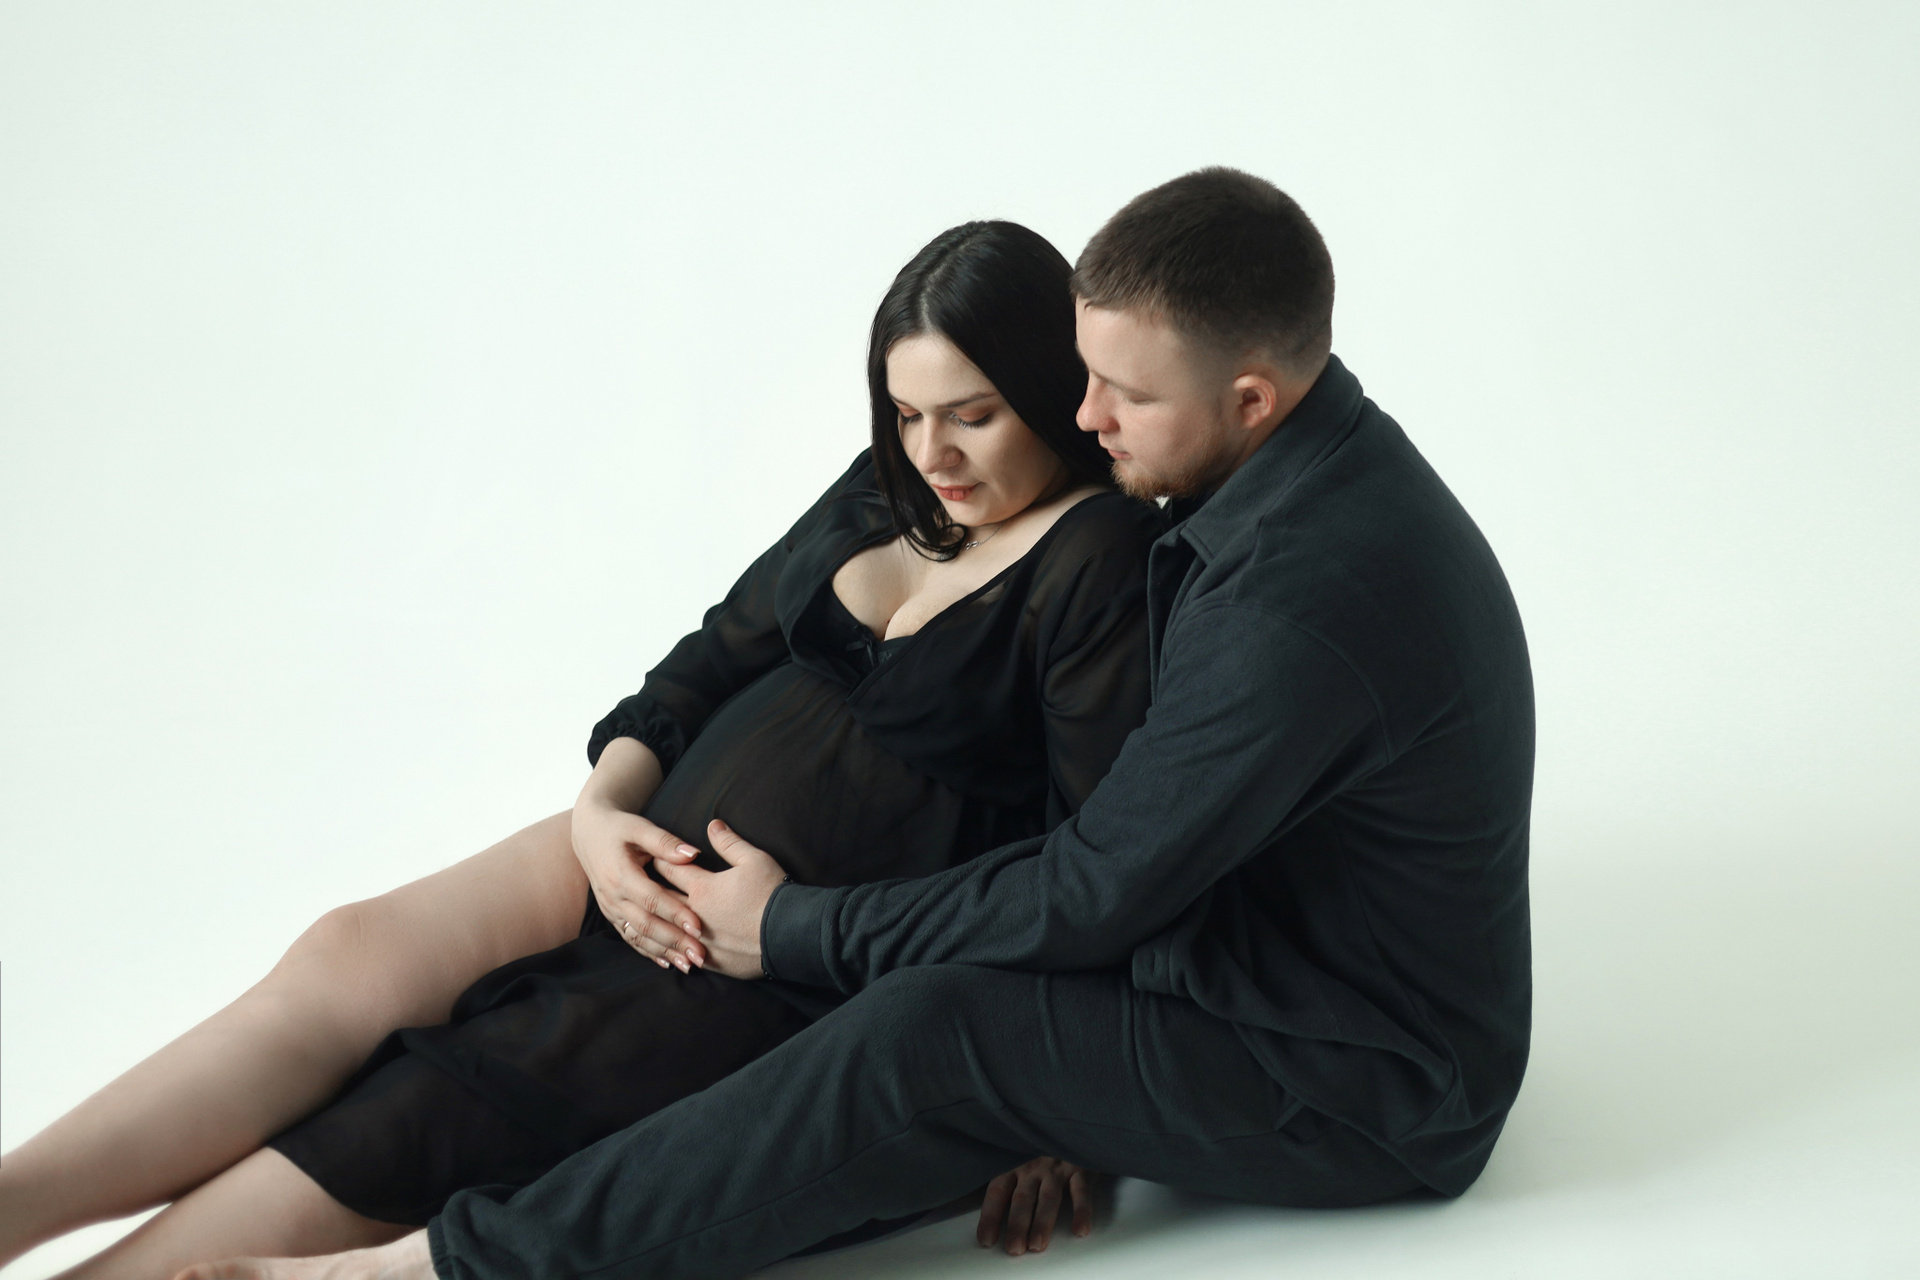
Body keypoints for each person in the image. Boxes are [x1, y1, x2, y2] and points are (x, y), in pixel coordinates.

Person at [183, 165, 1537, 1280]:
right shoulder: (1292, 480)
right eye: (1083, 375)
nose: (1084, 417)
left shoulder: (1295, 603)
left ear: (1252, 398)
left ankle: (430, 1271)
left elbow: (1097, 885)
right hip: (1233, 947)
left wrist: (792, 930)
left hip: (1349, 1079)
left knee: (928, 1036)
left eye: (1125, 396)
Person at [0, 222, 1168, 1280]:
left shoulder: (1097, 551)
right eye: (906, 414)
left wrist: (1042, 1094)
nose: (933, 453)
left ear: (1049, 386)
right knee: (348, 953)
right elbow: (709, 657)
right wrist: (603, 812)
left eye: (972, 415)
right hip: (629, 841)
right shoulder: (891, 485)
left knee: (424, 1106)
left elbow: (1087, 854)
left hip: (763, 952)